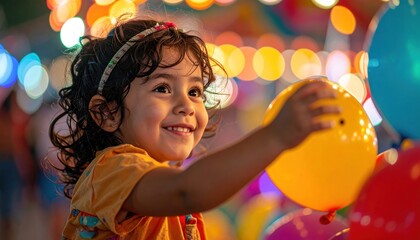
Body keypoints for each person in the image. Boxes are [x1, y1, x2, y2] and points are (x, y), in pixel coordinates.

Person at [49, 18, 341, 239]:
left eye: (195, 92)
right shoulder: (112, 171)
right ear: (107, 112)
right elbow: (187, 191)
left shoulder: (159, 179)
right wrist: (275, 136)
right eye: (162, 88)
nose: (186, 105)